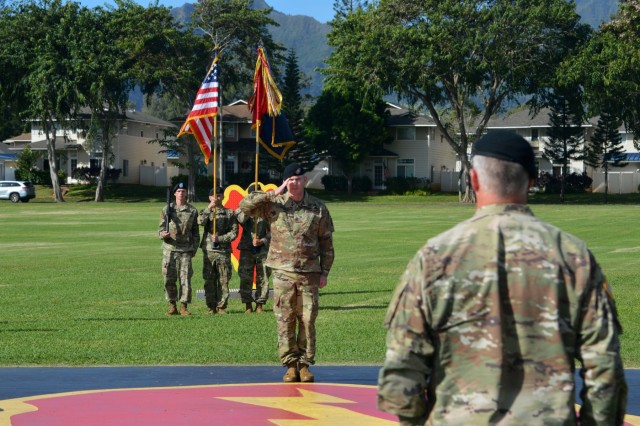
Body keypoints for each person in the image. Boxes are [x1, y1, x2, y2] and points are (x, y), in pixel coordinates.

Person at [377, 131, 627, 425]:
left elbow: (402, 373)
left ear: (473, 179)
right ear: (532, 181)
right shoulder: (573, 257)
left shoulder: (435, 257)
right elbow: (605, 369)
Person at [239, 163, 334, 383]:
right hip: (282, 272)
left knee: (308, 319)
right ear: (285, 181)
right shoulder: (273, 205)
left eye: (299, 179)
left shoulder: (318, 208)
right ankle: (290, 364)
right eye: (290, 179)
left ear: (305, 180)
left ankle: (305, 364)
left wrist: (325, 272)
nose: (295, 182)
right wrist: (274, 191)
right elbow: (245, 206)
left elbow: (327, 243)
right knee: (285, 319)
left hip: (309, 272)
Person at [158, 182, 199, 316]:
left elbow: (195, 233)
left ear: (186, 193)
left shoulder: (192, 211)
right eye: (179, 191)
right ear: (175, 193)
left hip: (185, 250)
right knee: (169, 278)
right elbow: (160, 229)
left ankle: (183, 306)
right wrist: (163, 234)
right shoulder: (167, 209)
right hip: (169, 249)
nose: (181, 193)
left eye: (183, 191)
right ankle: (172, 305)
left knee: (185, 279)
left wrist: (194, 249)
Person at [198, 187, 238, 315]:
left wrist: (220, 238)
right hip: (209, 250)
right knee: (209, 279)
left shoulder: (229, 213)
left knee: (224, 279)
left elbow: (234, 232)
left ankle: (222, 306)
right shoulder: (206, 211)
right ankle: (211, 306)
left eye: (219, 195)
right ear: (210, 197)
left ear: (223, 197)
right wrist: (210, 207)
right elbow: (200, 221)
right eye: (214, 196)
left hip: (223, 250)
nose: (217, 198)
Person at [235, 184, 271, 314]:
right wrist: (250, 208)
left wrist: (263, 240)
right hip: (246, 248)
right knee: (245, 276)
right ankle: (247, 304)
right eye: (253, 196)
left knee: (263, 276)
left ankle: (260, 303)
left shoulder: (267, 210)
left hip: (262, 248)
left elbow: (274, 230)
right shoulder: (241, 208)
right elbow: (241, 220)